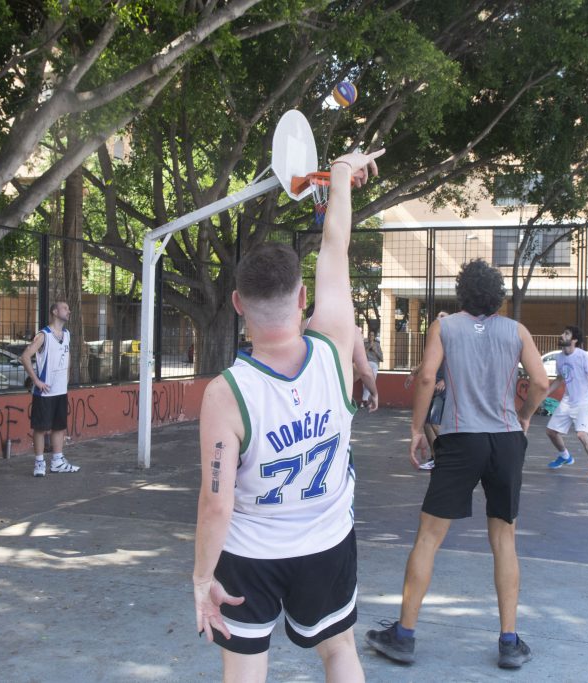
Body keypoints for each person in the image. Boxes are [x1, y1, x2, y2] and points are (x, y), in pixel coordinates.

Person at [193, 149, 383, 682]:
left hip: (250, 553)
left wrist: (200, 578)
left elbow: (216, 503)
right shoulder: (336, 347)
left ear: (236, 303)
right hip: (326, 541)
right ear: (303, 298)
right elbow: (335, 245)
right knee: (340, 650)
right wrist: (341, 176)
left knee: (245, 669)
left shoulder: (225, 394)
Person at [365, 259, 549, 670]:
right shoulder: (516, 331)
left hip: (460, 439)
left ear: (461, 293)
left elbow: (427, 378)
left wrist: (416, 429)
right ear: (498, 295)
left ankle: (405, 635)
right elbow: (540, 382)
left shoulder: (445, 327)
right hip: (504, 441)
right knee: (505, 539)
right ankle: (509, 641)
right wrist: (525, 416)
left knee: (429, 537)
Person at [20, 300, 79, 477]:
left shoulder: (67, 334)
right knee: (40, 428)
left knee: (59, 427)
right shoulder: (44, 335)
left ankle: (58, 461)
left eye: (68, 308)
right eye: (65, 308)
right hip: (45, 391)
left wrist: (67, 377)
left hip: (61, 390)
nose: (68, 311)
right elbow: (25, 356)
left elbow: (67, 357)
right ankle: (39, 463)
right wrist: (37, 381)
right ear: (54, 311)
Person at [544, 325, 588, 484]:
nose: (562, 335)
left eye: (566, 334)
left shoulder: (582, 356)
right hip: (568, 400)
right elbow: (560, 379)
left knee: (581, 434)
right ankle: (565, 456)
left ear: (574, 340)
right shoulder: (559, 357)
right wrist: (544, 394)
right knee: (551, 431)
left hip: (584, 400)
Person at [302, 305, 378, 412]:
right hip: (334, 396)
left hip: (304, 394)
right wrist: (374, 393)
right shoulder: (349, 329)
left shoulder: (299, 327)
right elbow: (364, 370)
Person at [404, 311, 449, 468]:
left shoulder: (451, 341)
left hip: (443, 386)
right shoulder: (435, 340)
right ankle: (436, 457)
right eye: (437, 318)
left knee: (435, 422)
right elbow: (426, 363)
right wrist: (412, 373)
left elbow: (459, 365)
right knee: (427, 422)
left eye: (442, 319)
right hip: (432, 385)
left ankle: (452, 453)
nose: (439, 321)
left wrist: (445, 380)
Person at [362, 330, 383, 408]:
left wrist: (374, 350)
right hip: (366, 363)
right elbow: (361, 355)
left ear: (374, 337)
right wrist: (368, 348)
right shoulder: (364, 344)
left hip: (374, 364)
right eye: (370, 335)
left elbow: (381, 358)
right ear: (368, 336)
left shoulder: (377, 345)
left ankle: (365, 401)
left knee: (372, 382)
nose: (371, 337)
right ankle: (365, 400)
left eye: (372, 335)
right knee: (366, 382)